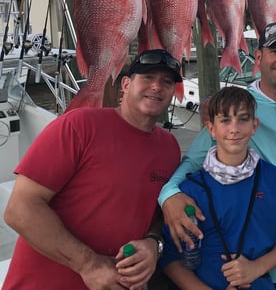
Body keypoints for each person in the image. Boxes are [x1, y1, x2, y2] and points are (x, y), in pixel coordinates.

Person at [159, 23, 276, 290]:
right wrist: (168, 194)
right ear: (258, 57)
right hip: (248, 268)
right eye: (275, 51)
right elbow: (192, 162)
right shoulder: (235, 107)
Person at [2, 49, 183, 290]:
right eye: (147, 78)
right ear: (126, 85)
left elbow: (157, 214)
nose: (157, 87)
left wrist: (153, 243)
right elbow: (19, 210)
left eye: (167, 82)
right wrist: (89, 264)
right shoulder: (78, 126)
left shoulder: (170, 148)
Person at [159, 86, 276, 289]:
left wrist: (256, 267)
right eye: (225, 120)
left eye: (243, 119)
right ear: (211, 128)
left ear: (254, 125)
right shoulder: (190, 190)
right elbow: (170, 259)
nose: (234, 128)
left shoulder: (271, 177)